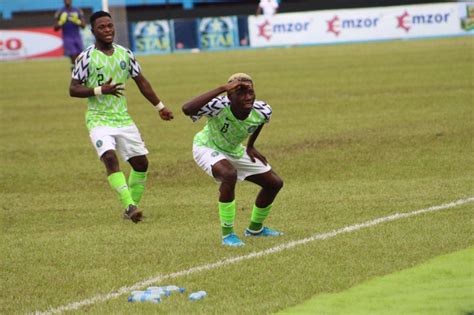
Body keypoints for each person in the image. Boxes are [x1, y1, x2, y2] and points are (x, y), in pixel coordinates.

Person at [69, 11, 174, 223]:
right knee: (109, 157)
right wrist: (100, 90)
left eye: (110, 26)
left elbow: (141, 81)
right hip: (98, 118)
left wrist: (160, 107)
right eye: (102, 27)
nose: (107, 30)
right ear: (93, 31)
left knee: (141, 164)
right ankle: (130, 205)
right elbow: (73, 89)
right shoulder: (86, 57)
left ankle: (130, 209)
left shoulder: (125, 53)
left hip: (123, 119)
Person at [182, 73, 284, 246]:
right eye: (241, 93)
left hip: (233, 149)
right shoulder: (219, 106)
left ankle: (255, 229)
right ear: (230, 95)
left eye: (250, 92)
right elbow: (187, 109)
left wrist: (251, 145)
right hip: (207, 146)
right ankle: (228, 235)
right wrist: (222, 88)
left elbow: (258, 123)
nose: (248, 97)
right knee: (229, 175)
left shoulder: (263, 110)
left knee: (274, 183)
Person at [54, 0, 87, 69]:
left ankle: (80, 73)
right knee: (73, 56)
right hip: (67, 38)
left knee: (81, 57)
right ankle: (75, 75)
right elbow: (55, 28)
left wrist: (77, 21)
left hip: (77, 37)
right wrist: (61, 22)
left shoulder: (78, 10)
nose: (67, 1)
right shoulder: (60, 12)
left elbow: (84, 26)